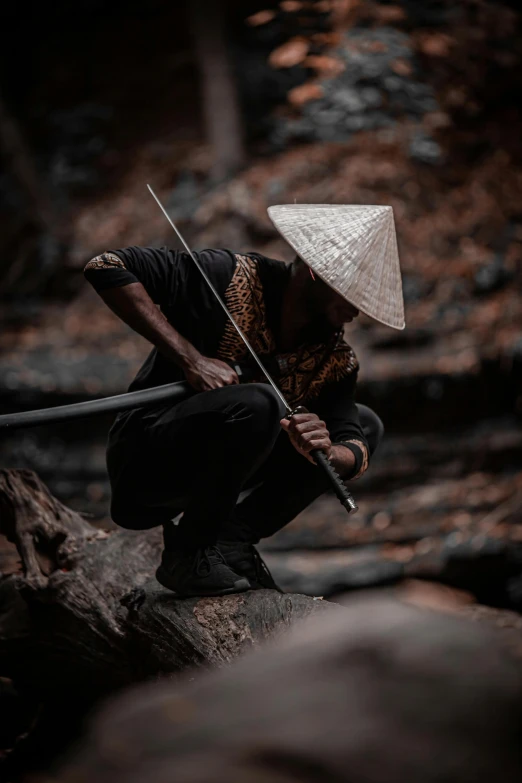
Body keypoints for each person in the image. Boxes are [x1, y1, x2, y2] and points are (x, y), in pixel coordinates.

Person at [83, 203, 405, 597]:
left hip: (217, 473)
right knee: (260, 403)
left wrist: (324, 448)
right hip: (146, 465)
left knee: (368, 419)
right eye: (352, 296)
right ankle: (189, 554)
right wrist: (191, 359)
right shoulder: (225, 276)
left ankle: (231, 540)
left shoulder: (333, 358)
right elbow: (105, 265)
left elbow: (355, 441)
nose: (356, 312)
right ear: (315, 271)